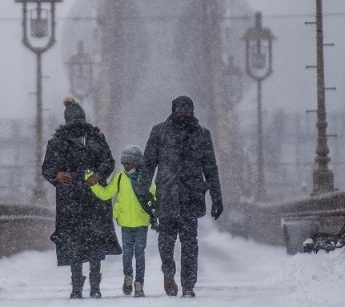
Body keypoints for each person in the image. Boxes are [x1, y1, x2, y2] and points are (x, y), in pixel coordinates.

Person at [136, 95, 222, 298]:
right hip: (167, 194)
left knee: (190, 241)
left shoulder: (202, 134)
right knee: (166, 240)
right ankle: (168, 273)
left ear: (192, 110)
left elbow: (210, 167)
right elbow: (148, 164)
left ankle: (188, 284)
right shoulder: (159, 132)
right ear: (173, 110)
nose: (183, 112)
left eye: (187, 108)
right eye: (180, 108)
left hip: (191, 195)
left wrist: (217, 197)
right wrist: (143, 191)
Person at [42, 97, 121, 299]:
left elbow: (108, 162)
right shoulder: (57, 142)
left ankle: (94, 284)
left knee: (93, 241)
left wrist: (99, 174)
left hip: (93, 198)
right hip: (70, 200)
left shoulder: (96, 138)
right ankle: (77, 285)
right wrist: (56, 175)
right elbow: (47, 168)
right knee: (75, 242)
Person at [87, 145, 157, 297]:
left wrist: (154, 210)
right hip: (125, 222)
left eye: (129, 163)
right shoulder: (119, 178)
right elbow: (106, 194)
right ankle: (128, 277)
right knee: (127, 254)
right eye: (124, 163)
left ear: (137, 163)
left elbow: (154, 196)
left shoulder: (145, 178)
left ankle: (139, 283)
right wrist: (93, 185)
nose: (126, 166)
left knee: (139, 253)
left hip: (141, 222)